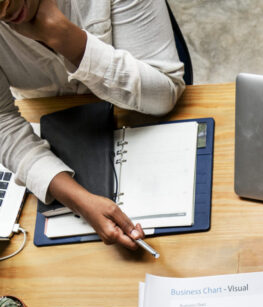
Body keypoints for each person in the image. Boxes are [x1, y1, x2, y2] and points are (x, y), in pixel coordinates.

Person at [0, 0, 185, 250]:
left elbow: (164, 93)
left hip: (145, 116)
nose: (4, 12)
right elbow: (3, 122)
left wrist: (64, 37)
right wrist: (78, 200)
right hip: (62, 132)